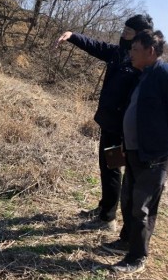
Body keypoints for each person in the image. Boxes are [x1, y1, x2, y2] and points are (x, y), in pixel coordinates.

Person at [103, 29, 168, 273]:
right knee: (128, 198)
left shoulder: (167, 75)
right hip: (137, 150)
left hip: (156, 153)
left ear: (151, 51)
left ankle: (137, 257)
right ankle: (126, 241)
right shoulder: (144, 74)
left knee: (142, 205)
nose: (131, 53)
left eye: (135, 49)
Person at [56, 14, 154, 231]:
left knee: (111, 168)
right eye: (124, 29)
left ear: (139, 36)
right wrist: (73, 36)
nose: (123, 33)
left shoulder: (141, 64)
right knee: (108, 167)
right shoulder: (119, 53)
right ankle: (105, 207)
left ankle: (107, 218)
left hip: (120, 128)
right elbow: (96, 46)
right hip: (109, 122)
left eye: (128, 31)